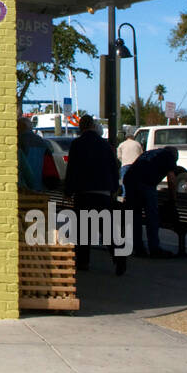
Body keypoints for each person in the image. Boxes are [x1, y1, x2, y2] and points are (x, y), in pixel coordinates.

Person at [63, 116, 126, 275]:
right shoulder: (105, 145)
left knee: (83, 229)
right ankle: (119, 259)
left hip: (83, 192)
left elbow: (72, 169)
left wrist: (68, 191)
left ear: (81, 127)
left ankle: (83, 261)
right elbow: (114, 168)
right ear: (93, 126)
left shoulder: (77, 144)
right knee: (107, 229)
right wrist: (113, 189)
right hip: (103, 192)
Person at [122, 146, 186, 258]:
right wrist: (173, 199)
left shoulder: (152, 153)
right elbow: (171, 178)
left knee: (135, 216)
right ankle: (154, 248)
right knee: (151, 216)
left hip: (130, 180)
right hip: (145, 182)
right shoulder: (169, 155)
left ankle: (138, 248)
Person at [17, 115, 51, 192]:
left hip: (23, 189)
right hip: (40, 187)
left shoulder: (17, 141)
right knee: (50, 203)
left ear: (20, 127)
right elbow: (49, 166)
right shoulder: (43, 142)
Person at [117, 133, 144, 198]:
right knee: (136, 180)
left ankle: (125, 195)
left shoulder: (121, 144)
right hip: (136, 165)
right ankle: (135, 195)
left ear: (126, 138)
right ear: (133, 137)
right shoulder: (137, 144)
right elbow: (141, 155)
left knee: (125, 181)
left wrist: (123, 161)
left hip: (125, 164)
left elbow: (119, 156)